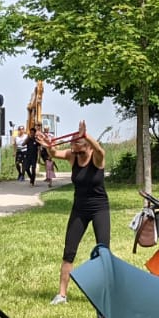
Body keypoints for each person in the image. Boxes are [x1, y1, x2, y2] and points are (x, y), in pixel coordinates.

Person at [47, 120, 108, 304]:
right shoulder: (72, 156)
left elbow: (100, 150)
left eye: (76, 143)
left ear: (87, 145)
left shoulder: (96, 158)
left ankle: (107, 293)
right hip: (79, 209)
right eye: (73, 144)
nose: (72, 148)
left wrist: (86, 135)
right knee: (69, 251)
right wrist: (48, 145)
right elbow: (54, 153)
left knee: (103, 252)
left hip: (99, 208)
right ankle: (62, 294)